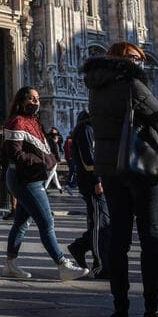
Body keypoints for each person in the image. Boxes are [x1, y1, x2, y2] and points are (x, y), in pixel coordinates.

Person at [83, 42, 158, 317]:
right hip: (140, 167)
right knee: (150, 237)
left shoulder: (94, 89)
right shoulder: (133, 85)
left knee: (119, 240)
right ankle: (151, 308)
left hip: (111, 169)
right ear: (123, 60)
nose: (139, 63)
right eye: (135, 58)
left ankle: (120, 307)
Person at [0, 87, 88, 282]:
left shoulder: (33, 122)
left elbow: (40, 149)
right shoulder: (16, 122)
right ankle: (62, 264)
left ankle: (10, 264)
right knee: (47, 222)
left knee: (21, 223)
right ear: (21, 101)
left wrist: (49, 157)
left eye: (38, 98)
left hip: (32, 176)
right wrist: (43, 160)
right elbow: (15, 155)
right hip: (24, 179)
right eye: (31, 98)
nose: (36, 102)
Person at [67, 110, 110, 279]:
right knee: (99, 224)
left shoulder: (90, 128)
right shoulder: (86, 129)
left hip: (97, 182)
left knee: (102, 222)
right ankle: (100, 265)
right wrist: (98, 180)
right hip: (93, 184)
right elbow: (89, 160)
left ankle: (80, 246)